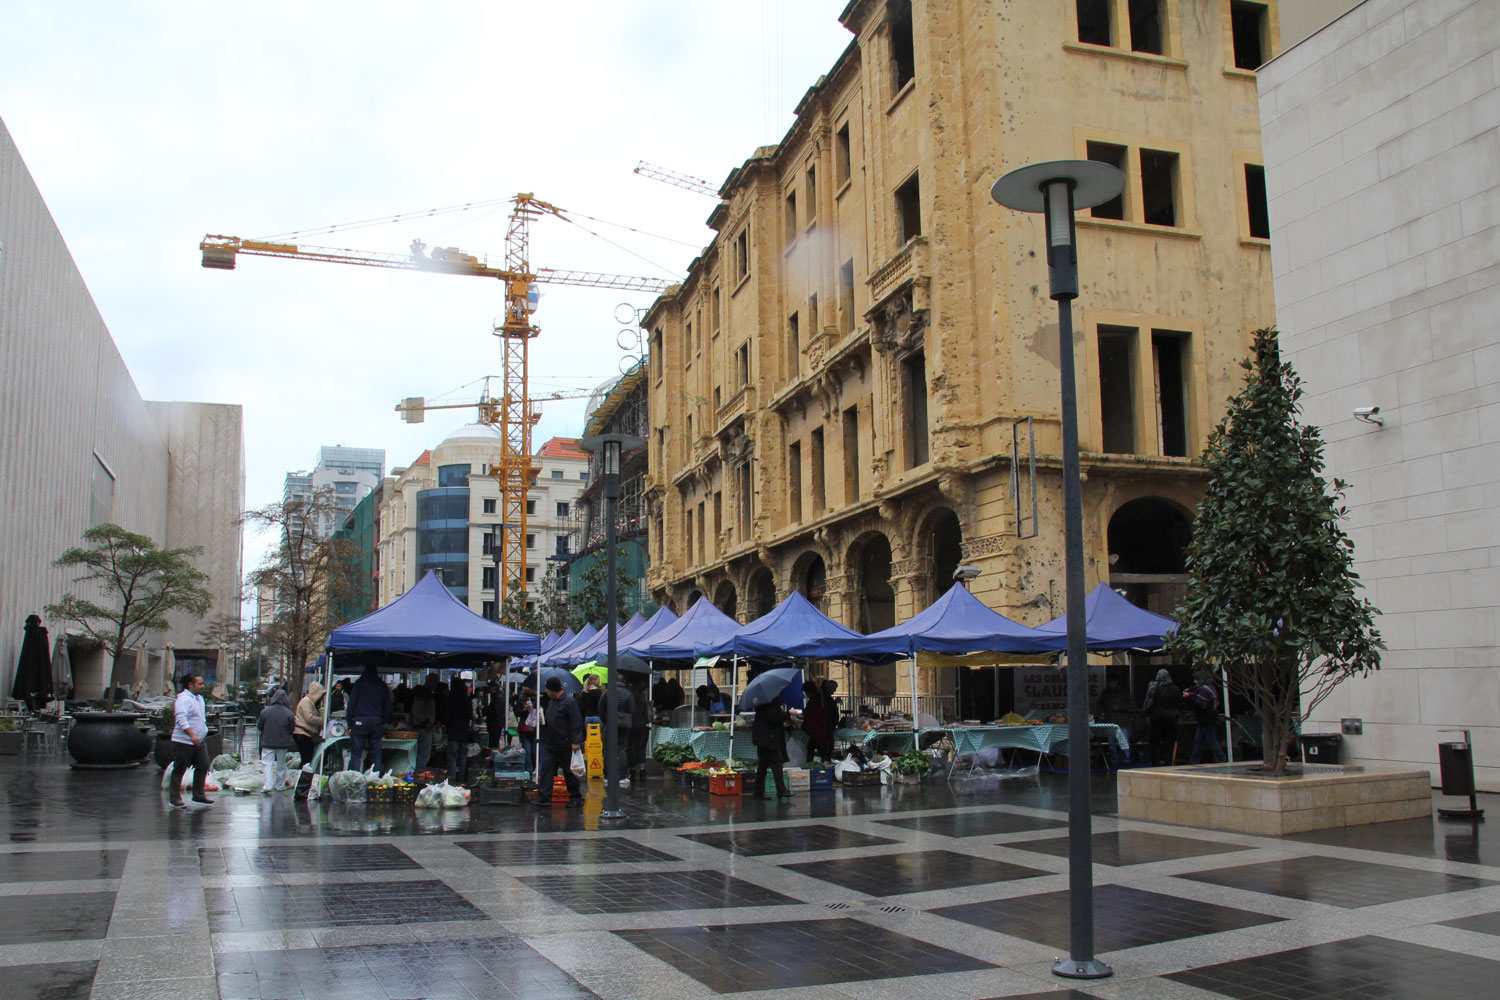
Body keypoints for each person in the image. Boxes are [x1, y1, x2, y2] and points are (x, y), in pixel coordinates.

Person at [535, 677, 583, 807]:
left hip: (565, 743)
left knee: (569, 771)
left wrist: (576, 741)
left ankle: (575, 796)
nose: (546, 691)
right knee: (547, 770)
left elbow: (576, 722)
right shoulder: (552, 701)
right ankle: (544, 796)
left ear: (553, 690)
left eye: (547, 689)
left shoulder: (569, 702)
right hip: (551, 742)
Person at [168, 672, 212, 807]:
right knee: (180, 768)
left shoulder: (199, 698)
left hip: (198, 741)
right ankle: (174, 798)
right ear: (190, 685)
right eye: (199, 684)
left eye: (202, 683)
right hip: (184, 741)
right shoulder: (183, 699)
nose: (202, 686)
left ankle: (198, 795)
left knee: (203, 765)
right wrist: (191, 734)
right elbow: (181, 718)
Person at [346, 664, 391, 772]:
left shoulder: (359, 683)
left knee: (356, 754)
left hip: (359, 721)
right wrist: (383, 721)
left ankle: (355, 779)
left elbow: (351, 704)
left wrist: (349, 722)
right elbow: (388, 706)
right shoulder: (382, 685)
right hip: (376, 721)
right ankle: (375, 779)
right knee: (376, 753)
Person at [752, 700, 792, 800]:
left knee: (762, 766)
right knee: (777, 763)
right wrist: (788, 713)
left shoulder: (761, 704)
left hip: (763, 739)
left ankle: (758, 792)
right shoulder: (769, 704)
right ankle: (781, 790)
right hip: (769, 740)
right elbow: (774, 718)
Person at [1142, 668, 1183, 766]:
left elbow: (1149, 704)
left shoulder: (1154, 688)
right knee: (1169, 742)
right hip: (1172, 719)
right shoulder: (1175, 689)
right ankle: (1168, 762)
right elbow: (1180, 704)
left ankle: (1155, 763)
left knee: (1154, 742)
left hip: (1156, 719)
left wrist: (1147, 714)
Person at [257, 689, 295, 792]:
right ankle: (280, 785)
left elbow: (260, 726)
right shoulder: (289, 713)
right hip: (283, 742)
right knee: (281, 764)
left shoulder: (265, 711)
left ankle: (268, 785)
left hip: (268, 741)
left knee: (267, 763)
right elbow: (291, 728)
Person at [1186, 671, 1225, 765]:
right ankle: (1194, 761)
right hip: (1208, 717)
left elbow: (1201, 704)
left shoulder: (1204, 690)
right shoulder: (1211, 688)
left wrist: (1189, 697)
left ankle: (1222, 759)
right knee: (1199, 740)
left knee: (1211, 740)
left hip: (1206, 718)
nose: (1195, 681)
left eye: (1196, 679)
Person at [412, 673, 442, 769]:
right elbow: (416, 711)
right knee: (423, 754)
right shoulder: (424, 694)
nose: (436, 685)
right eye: (435, 682)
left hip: (424, 726)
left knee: (422, 754)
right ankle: (419, 775)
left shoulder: (426, 693)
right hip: (423, 728)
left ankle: (418, 774)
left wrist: (434, 720)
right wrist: (426, 722)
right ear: (429, 681)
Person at [446, 676, 473, 784]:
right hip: (464, 731)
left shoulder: (451, 699)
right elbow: (470, 715)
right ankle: (461, 779)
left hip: (453, 731)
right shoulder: (466, 699)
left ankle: (451, 779)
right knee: (463, 757)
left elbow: (447, 715)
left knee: (452, 757)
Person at [292, 680, 325, 763]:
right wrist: (322, 721)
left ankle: (304, 774)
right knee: (306, 759)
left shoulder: (310, 702)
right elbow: (309, 717)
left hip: (305, 734)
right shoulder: (306, 702)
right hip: (303, 734)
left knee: (306, 759)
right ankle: (304, 775)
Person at [801, 680, 833, 762]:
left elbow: (809, 714)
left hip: (819, 729)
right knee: (815, 748)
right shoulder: (820, 698)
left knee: (818, 748)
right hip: (820, 729)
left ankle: (823, 762)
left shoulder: (817, 700)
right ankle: (822, 761)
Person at [514, 689, 538, 773]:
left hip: (535, 729)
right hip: (525, 728)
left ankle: (535, 768)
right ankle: (529, 770)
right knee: (527, 751)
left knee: (534, 751)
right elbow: (517, 712)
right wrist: (525, 709)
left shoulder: (538, 698)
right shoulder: (521, 698)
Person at [485, 682, 504, 749]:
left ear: (494, 688)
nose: (488, 688)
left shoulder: (497, 698)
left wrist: (487, 710)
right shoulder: (497, 697)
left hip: (495, 724)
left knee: (494, 743)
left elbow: (496, 711)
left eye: (490, 687)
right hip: (495, 723)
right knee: (493, 742)